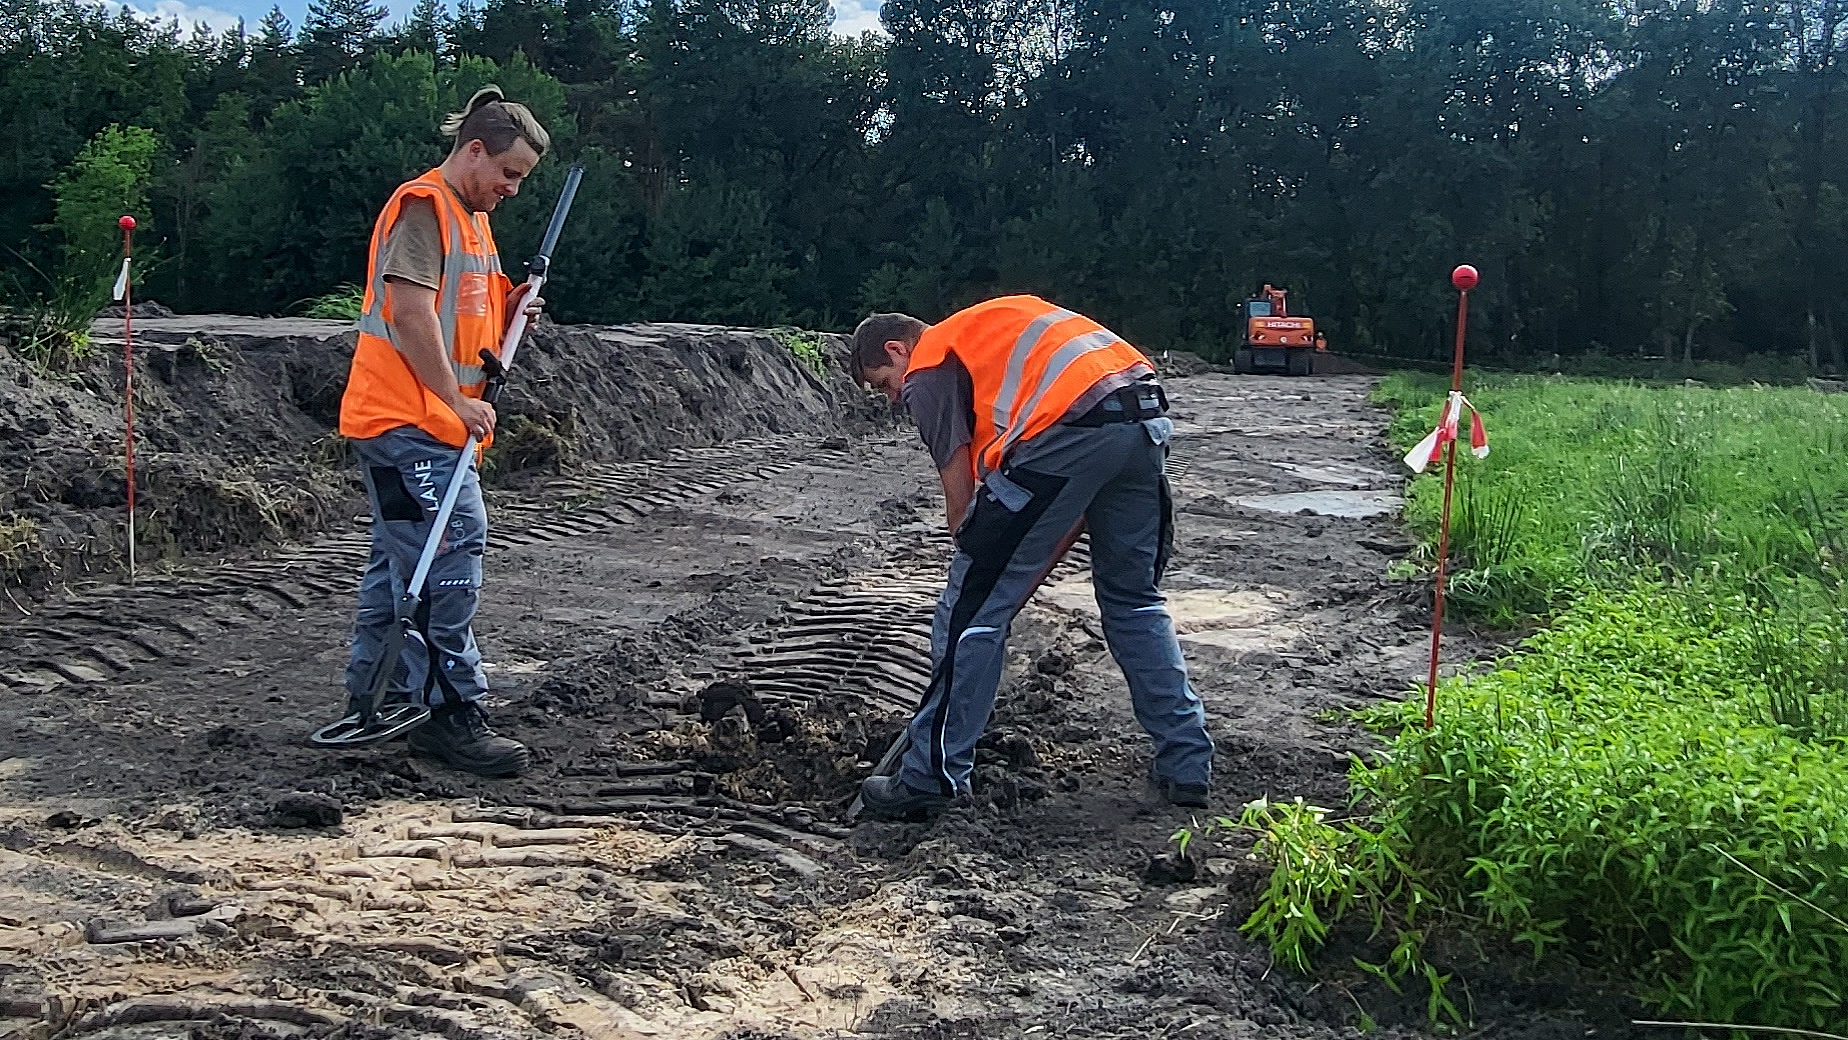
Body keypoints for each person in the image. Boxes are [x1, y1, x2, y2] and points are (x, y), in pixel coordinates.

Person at [848, 297, 1215, 818]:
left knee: (969, 614)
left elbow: (960, 492)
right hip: (1144, 420)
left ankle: (931, 776)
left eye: (885, 381)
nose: (895, 397)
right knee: (1134, 601)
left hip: (1069, 432)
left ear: (896, 348)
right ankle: (1187, 763)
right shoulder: (989, 331)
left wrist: (977, 554)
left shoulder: (929, 362)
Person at [335, 86, 550, 777]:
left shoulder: (472, 218)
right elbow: (408, 313)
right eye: (509, 173)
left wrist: (509, 307)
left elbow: (459, 314)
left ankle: (375, 696)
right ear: (474, 151)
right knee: (447, 560)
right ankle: (451, 714)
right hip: (411, 421)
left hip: (414, 422)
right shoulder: (425, 207)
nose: (512, 188)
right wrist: (454, 402)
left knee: (400, 563)